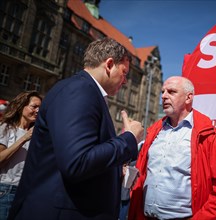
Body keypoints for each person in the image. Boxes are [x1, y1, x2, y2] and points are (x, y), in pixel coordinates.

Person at [8, 38, 144, 220]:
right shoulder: (79, 91)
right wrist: (129, 138)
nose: (125, 81)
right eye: (124, 72)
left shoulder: (86, 92)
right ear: (109, 64)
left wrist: (115, 171)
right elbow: (77, 162)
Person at [128, 76, 216, 220]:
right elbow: (140, 177)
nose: (164, 96)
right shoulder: (154, 132)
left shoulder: (207, 135)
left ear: (188, 98)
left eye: (171, 92)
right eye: (163, 92)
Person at [0, 91, 42, 220]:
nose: (37, 111)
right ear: (21, 106)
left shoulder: (38, 134)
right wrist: (24, 138)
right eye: (34, 106)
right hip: (5, 189)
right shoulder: (6, 128)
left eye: (40, 108)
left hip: (27, 192)